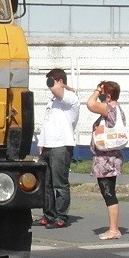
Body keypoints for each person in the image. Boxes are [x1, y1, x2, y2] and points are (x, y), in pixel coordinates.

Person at [35, 68, 80, 229]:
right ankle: (49, 214)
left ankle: (61, 216)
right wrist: (41, 142)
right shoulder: (52, 101)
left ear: (60, 81)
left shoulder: (70, 98)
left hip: (61, 145)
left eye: (51, 81)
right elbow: (47, 123)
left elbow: (57, 89)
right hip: (48, 145)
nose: (49, 85)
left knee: (60, 184)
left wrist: (65, 87)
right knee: (46, 184)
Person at [87, 79, 125, 240]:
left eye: (102, 94)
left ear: (108, 96)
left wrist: (97, 91)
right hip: (110, 157)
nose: (100, 97)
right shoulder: (117, 109)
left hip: (106, 159)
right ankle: (114, 228)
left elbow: (90, 104)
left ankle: (113, 229)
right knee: (109, 192)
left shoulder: (109, 108)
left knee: (108, 193)